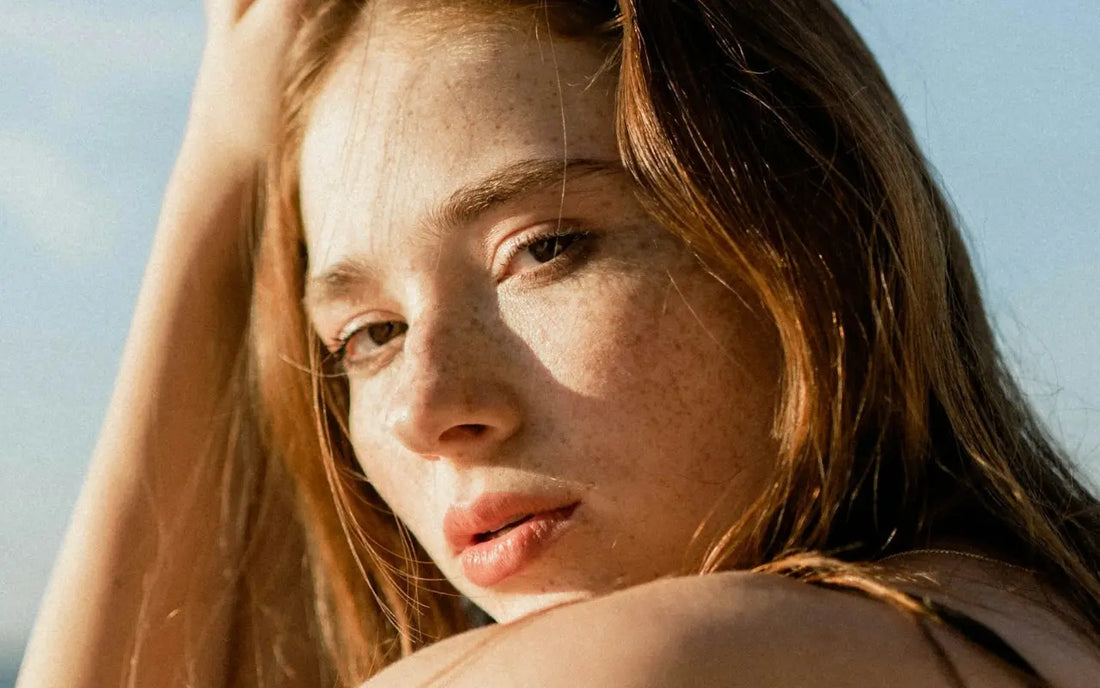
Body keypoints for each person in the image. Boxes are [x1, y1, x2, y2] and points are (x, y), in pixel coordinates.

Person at [17, 0, 1100, 686]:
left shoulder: (648, 665)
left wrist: (214, 173)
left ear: (797, 222)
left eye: (541, 251)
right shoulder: (1017, 618)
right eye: (368, 334)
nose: (424, 407)